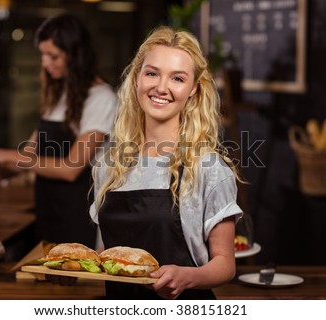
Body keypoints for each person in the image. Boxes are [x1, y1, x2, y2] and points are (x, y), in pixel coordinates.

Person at [89, 26, 243, 299]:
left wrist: (188, 276)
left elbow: (225, 265)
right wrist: (76, 270)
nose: (161, 87)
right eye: (152, 73)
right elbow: (107, 256)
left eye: (177, 79)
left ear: (194, 89)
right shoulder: (109, 165)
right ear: (137, 78)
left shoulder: (209, 168)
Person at [0, 13, 117, 248]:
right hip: (49, 210)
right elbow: (30, 155)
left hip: (79, 215)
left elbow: (71, 168)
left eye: (53, 56)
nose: (45, 63)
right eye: (43, 55)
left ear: (75, 55)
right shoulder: (58, 97)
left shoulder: (101, 98)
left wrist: (6, 155)